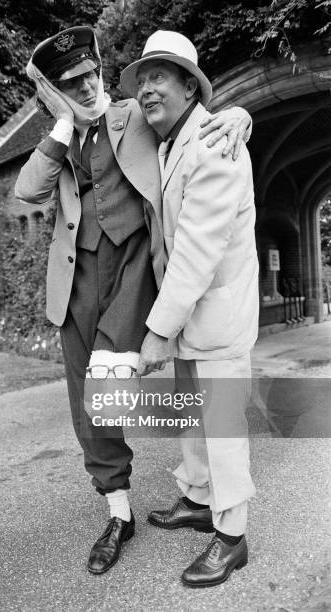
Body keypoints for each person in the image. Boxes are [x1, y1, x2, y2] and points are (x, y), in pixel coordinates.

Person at [15, 25, 252, 576]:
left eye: (93, 74)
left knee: (198, 404)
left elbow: (196, 112)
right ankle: (120, 514)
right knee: (93, 408)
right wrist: (61, 124)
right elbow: (26, 191)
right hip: (74, 287)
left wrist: (242, 115)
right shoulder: (61, 136)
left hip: (131, 280)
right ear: (56, 92)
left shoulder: (138, 115)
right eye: (74, 83)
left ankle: (230, 530)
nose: (90, 86)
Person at [121, 30, 259, 587]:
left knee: (222, 425)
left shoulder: (215, 142)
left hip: (216, 314)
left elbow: (199, 249)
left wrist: (157, 331)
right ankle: (201, 500)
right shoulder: (168, 141)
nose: (148, 89)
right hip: (189, 316)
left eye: (160, 77)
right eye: (142, 79)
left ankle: (232, 538)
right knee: (192, 417)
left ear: (188, 86)